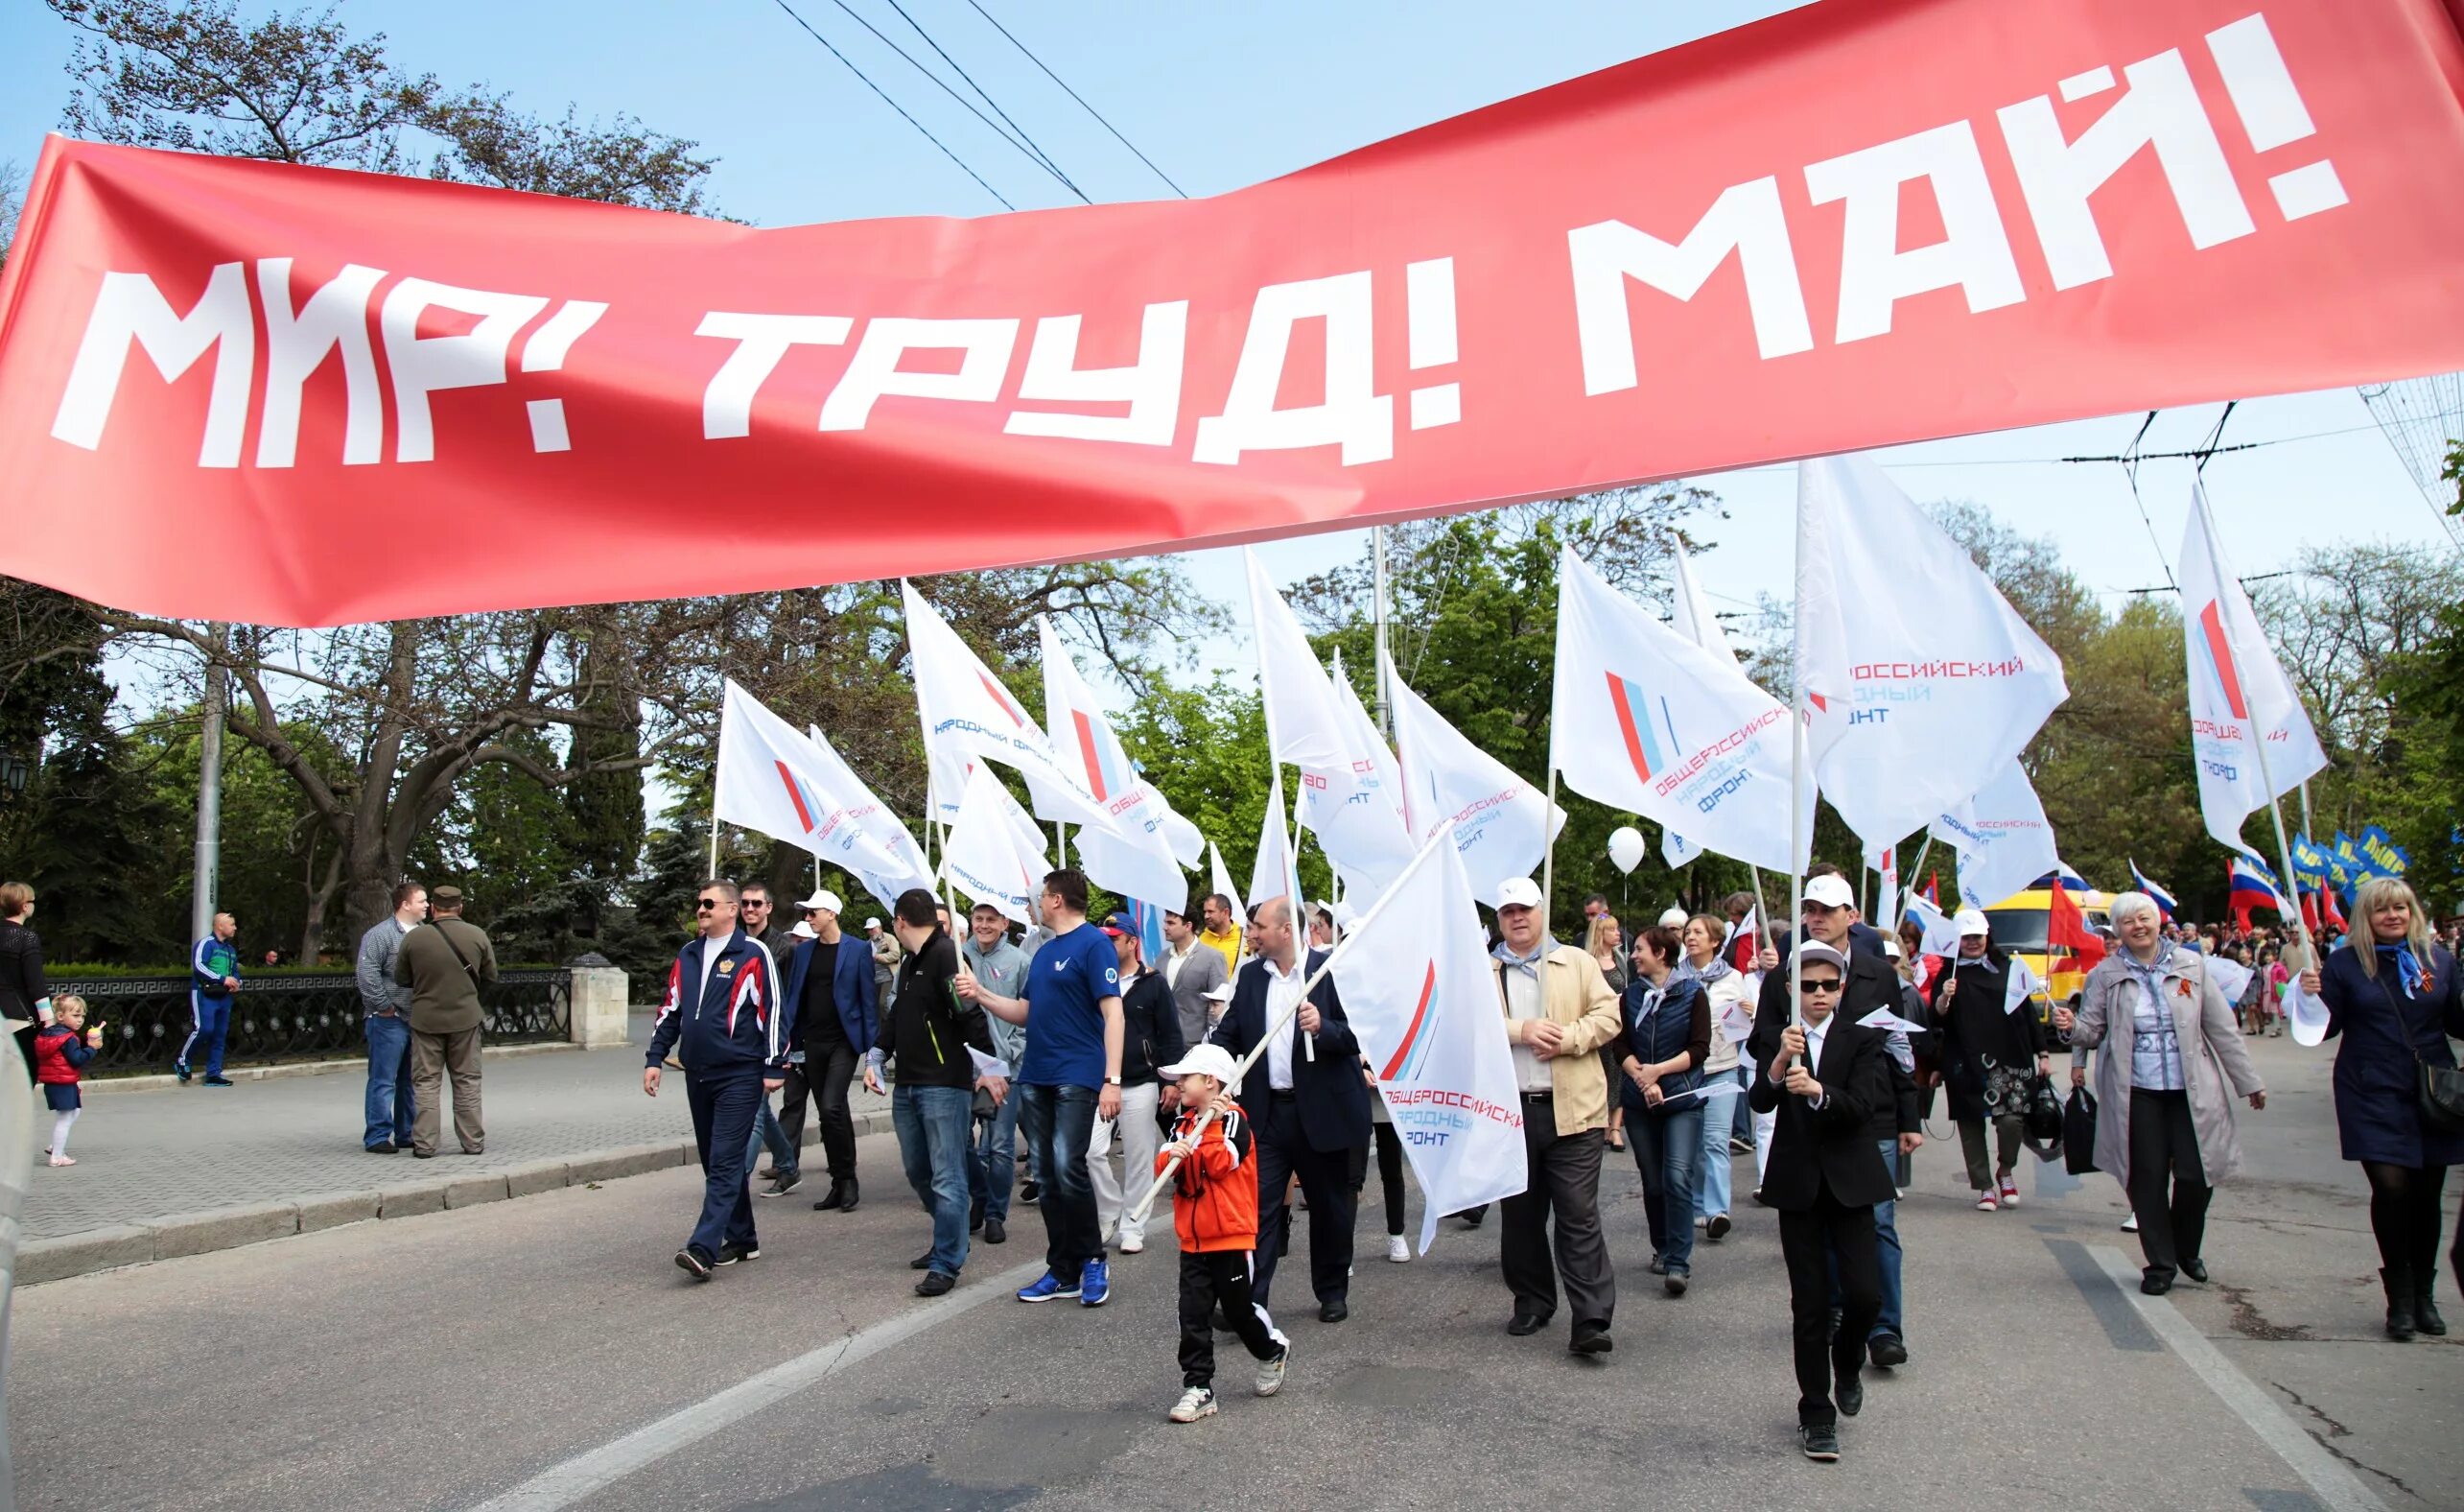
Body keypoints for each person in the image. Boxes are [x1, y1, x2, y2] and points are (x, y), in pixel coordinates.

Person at [2055, 891, 2265, 1295]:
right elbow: (2092, 1032)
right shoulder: (2106, 975)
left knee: (2197, 1174)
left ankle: (2185, 1246)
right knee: (2146, 1178)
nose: (2138, 926)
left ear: (2158, 923)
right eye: (2128, 921)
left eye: (2144, 918)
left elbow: (2221, 1028)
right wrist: (2071, 1026)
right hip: (2136, 1091)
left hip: (2191, 1089)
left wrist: (2248, 1082)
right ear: (2117, 931)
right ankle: (2161, 1263)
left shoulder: (2191, 965)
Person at [1762, 874, 1921, 1371]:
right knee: (1818, 1242)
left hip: (1867, 1117)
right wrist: (1785, 1051)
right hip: (1805, 1123)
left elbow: (1896, 1048)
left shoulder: (1878, 973)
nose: (1815, 917)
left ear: (1851, 916)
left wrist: (1908, 1116)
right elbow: (1762, 1041)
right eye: (1809, 908)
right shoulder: (1780, 977)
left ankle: (1881, 1327)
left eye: (1826, 910)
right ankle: (1829, 1317)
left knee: (1877, 1226)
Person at [2296, 877, 2463, 1340]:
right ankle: (2400, 1300)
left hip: (2432, 1091)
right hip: (2369, 1090)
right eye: (2381, 910)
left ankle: (2425, 1298)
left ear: (2413, 912)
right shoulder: (2346, 964)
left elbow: (2457, 1021)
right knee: (2392, 1188)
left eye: (2401, 908)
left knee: (2427, 1194)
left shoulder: (2439, 961)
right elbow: (2324, 1029)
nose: (2392, 916)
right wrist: (2308, 995)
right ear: (2365, 918)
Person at [1749, 941, 1895, 1462]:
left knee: (1863, 1298)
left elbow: (1862, 1106)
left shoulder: (1861, 1040)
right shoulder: (1776, 1036)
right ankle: (1815, 1413)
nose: (1818, 994)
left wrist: (1815, 1089)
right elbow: (1760, 1101)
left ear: (1841, 989)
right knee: (1809, 1306)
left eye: (1828, 986)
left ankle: (1849, 1359)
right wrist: (1781, 1061)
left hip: (1852, 1181)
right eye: (1808, 985)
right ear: (1791, 988)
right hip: (1798, 1184)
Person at [956, 867, 1128, 1309]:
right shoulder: (1045, 953)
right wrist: (979, 993)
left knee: (1068, 1166)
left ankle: (1092, 1260)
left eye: (1039, 897)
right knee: (1047, 1177)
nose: (1032, 904)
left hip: (1077, 1074)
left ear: (1056, 900)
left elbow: (1113, 1015)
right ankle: (1063, 1269)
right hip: (1036, 1075)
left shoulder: (1093, 945)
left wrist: (1112, 1080)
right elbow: (1024, 1011)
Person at [1205, 894, 1369, 1322]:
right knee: (1257, 1209)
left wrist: (1325, 1028)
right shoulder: (1252, 977)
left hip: (1322, 1112)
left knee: (1330, 1206)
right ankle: (1251, 1301)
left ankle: (1332, 1290)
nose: (1251, 933)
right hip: (1268, 1113)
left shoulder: (1330, 971)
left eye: (1258, 925)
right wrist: (1204, 1070)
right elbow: (1231, 1034)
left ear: (1285, 930)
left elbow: (1363, 1035)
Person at [1488, 876, 1622, 1355]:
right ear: (1499, 920)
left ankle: (1590, 1318)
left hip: (1576, 1111)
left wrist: (1567, 1038)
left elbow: (1609, 1017)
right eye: (1508, 912)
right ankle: (1532, 1300)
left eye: (1525, 909)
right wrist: (1520, 1030)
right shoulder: (1485, 971)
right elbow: (1468, 1027)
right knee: (1520, 1215)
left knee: (1578, 1215)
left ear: (1541, 911)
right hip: (1510, 1113)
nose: (1517, 918)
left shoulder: (1577, 962)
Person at [645, 881, 787, 1279]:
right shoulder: (688, 954)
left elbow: (773, 1009)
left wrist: (775, 1065)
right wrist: (655, 1057)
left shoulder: (752, 953)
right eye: (699, 904)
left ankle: (703, 1248)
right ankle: (743, 1238)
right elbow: (670, 1009)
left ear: (731, 909)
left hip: (740, 1074)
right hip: (698, 1074)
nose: (701, 910)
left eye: (709, 903)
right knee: (714, 1161)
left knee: (726, 1159)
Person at [865, 888, 1000, 1297]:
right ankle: (955, 1224)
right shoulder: (910, 961)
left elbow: (970, 1014)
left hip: (944, 1083)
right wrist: (876, 1055)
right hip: (907, 1082)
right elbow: (899, 1015)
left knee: (946, 1174)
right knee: (918, 1169)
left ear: (900, 921)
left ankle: (947, 1260)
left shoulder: (947, 956)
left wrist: (989, 1068)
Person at [1155, 1043, 1291, 1423]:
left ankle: (1271, 1351)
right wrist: (1174, 1154)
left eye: (1186, 1077)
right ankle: (1198, 1387)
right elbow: (1163, 1165)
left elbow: (1221, 1162)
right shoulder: (1183, 1123)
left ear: (1210, 1082)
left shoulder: (1233, 1120)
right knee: (1192, 1314)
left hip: (1230, 1236)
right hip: (1192, 1238)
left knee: (1237, 1310)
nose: (1179, 1084)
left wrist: (1205, 1133)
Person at [1618, 924, 1711, 1296]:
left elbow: (1700, 1048)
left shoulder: (1692, 994)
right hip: (1640, 1100)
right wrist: (1644, 1078)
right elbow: (1620, 1046)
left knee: (1676, 1177)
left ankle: (1678, 1261)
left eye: (1639, 949)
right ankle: (1662, 1245)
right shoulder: (1630, 996)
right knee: (1653, 1181)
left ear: (1660, 953)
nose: (1634, 955)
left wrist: (1660, 1072)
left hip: (1681, 1099)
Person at [1934, 908, 2046, 1211]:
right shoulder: (1949, 974)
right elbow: (1937, 1017)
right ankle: (1984, 1186)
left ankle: (2005, 1170)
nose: (1972, 942)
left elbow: (2028, 1013)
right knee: (1970, 1127)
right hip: (1965, 1060)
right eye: (1966, 937)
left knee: (2011, 1120)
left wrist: (2043, 1052)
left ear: (1987, 937)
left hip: (2009, 1058)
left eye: (1977, 937)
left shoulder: (2008, 968)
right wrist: (1945, 997)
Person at [1087, 912, 1185, 1256]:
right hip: (1101, 1083)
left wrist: (1173, 1081)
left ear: (1132, 942)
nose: (1107, 944)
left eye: (1114, 938)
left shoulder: (1153, 983)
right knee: (1091, 1153)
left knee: (1140, 1159)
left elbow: (1171, 1034)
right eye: (1104, 938)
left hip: (1142, 1082)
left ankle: (1133, 1226)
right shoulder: (1095, 978)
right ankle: (1109, 1210)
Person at [779, 888, 879, 1211]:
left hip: (843, 1041)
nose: (807, 918)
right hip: (812, 1040)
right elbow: (795, 995)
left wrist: (871, 1048)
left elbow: (867, 998)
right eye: (806, 913)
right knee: (827, 1112)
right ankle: (838, 1181)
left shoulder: (858, 949)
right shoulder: (803, 952)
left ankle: (849, 1179)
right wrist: (788, 1041)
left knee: (833, 1105)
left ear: (831, 914)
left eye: (813, 913)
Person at [393, 886, 499, 1157]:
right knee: (467, 1080)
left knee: (426, 1082)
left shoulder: (416, 939)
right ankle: (473, 1142)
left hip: (426, 1019)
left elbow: (402, 979)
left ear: (434, 908)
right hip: (466, 1018)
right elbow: (491, 977)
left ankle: (425, 1145)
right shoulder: (477, 935)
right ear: (460, 907)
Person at [958, 902, 1029, 1244]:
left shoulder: (1019, 961)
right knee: (961, 1143)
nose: (983, 925)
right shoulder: (956, 956)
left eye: (991, 920)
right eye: (978, 919)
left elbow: (1030, 1012)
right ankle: (977, 1198)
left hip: (1003, 1068)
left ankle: (994, 1214)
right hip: (962, 1066)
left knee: (999, 1147)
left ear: (1004, 923)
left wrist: (1013, 1051)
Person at [1681, 911, 1752, 1242]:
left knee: (1716, 1140)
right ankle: (1697, 1206)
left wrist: (1750, 1012)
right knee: (1694, 1144)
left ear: (1714, 941)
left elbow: (1744, 1025)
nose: (1691, 937)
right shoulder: (1675, 978)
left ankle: (1717, 1211)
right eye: (1688, 932)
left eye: (1698, 932)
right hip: (1687, 1072)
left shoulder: (1733, 978)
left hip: (1723, 1067)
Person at [735, 883, 800, 1194]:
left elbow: (785, 1001)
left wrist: (781, 1052)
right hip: (737, 1042)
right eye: (745, 903)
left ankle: (735, 1185)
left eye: (756, 904)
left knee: (754, 1112)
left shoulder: (782, 948)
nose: (750, 909)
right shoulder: (732, 943)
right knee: (761, 1110)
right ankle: (787, 1165)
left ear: (768, 908)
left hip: (768, 1043)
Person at [354, 880, 426, 1153]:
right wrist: (384, 1006)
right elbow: (367, 974)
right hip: (387, 1019)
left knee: (409, 1080)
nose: (426, 905)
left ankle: (406, 1132)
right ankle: (377, 1136)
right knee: (383, 1079)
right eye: (421, 901)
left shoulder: (423, 934)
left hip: (415, 1019)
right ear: (405, 904)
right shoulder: (380, 935)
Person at [33, 993, 101, 1167]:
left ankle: (56, 1146)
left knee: (73, 1111)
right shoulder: (68, 1038)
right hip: (63, 1081)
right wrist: (92, 1049)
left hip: (54, 1082)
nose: (80, 1020)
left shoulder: (48, 1035)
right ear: (61, 1016)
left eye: (82, 1016)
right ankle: (57, 1156)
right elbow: (76, 1059)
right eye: (76, 1015)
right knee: (64, 1118)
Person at [180, 910, 243, 1086]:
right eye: (231, 924)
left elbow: (234, 971)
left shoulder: (230, 949)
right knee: (204, 1029)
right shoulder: (206, 944)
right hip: (204, 993)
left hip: (224, 996)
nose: (235, 928)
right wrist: (223, 979)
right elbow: (199, 966)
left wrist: (237, 982)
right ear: (220, 926)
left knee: (220, 1034)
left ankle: (214, 1074)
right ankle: (183, 1061)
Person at [1161, 905, 1229, 1059]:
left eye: (1171, 923)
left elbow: (1218, 1003)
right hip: (1165, 1045)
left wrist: (1211, 1045)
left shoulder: (1212, 957)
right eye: (1165, 922)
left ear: (1188, 926)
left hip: (1197, 1047)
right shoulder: (1162, 958)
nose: (1165, 927)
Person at [1586, 913, 1630, 1154]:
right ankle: (1601, 1122)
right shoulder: (1587, 960)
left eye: (1617, 929)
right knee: (1600, 1073)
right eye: (1612, 930)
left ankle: (1615, 1128)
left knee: (1618, 1073)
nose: (1617, 934)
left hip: (1620, 1025)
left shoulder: (1622, 959)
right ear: (1600, 933)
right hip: (1597, 1024)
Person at [0, 882, 48, 1083]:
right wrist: (49, 1020)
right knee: (23, 1080)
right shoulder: (26, 938)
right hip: (18, 1020)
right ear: (24, 906)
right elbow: (35, 983)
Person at [1199, 892, 1244, 978]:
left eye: (1210, 912)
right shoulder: (1201, 939)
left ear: (1225, 912)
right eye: (1205, 912)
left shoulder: (1245, 937)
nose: (1206, 916)